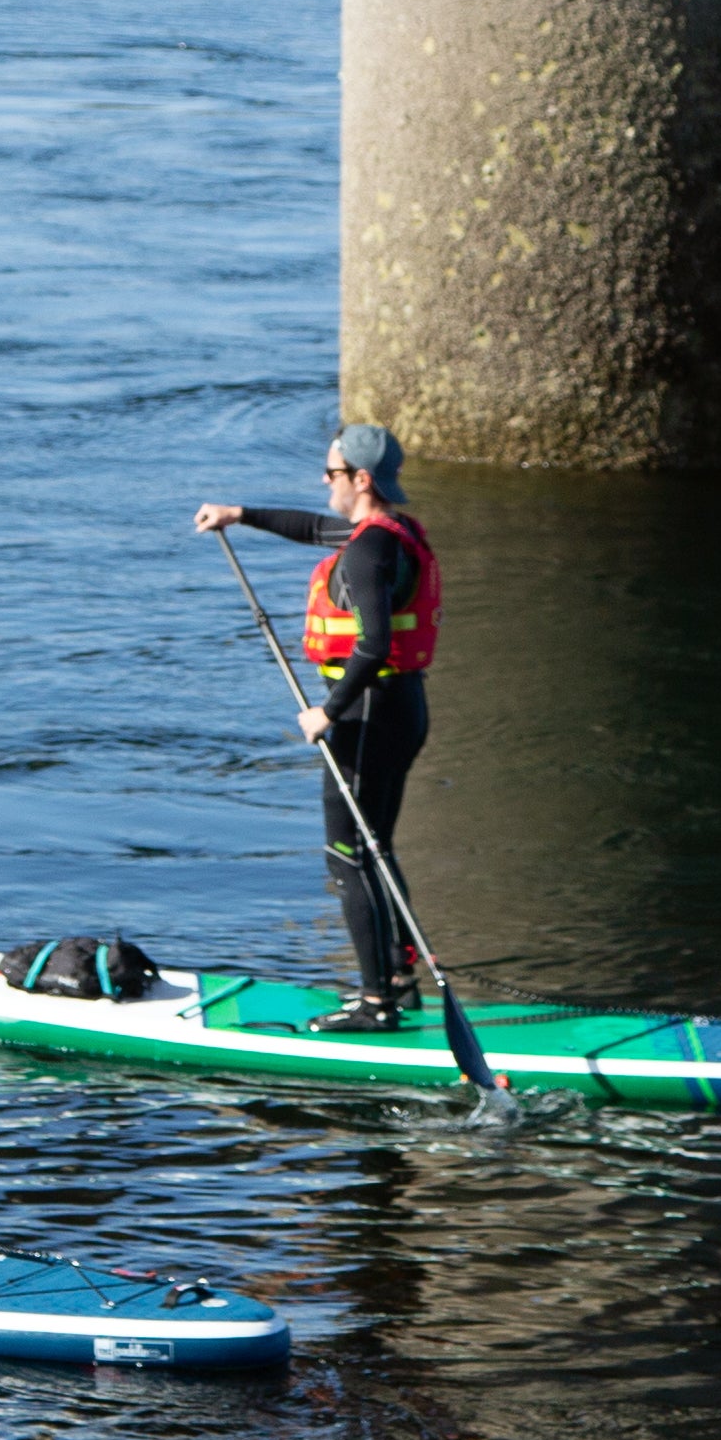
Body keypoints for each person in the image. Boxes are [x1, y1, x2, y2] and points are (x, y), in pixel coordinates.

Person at [193, 422, 443, 1030]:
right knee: (374, 849)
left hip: (366, 717)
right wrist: (239, 513)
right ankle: (397, 981)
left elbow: (375, 642)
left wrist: (327, 712)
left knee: (348, 858)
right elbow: (310, 528)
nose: (323, 482)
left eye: (331, 473)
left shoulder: (363, 552)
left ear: (361, 479)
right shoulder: (389, 532)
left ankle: (376, 1003)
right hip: (400, 710)